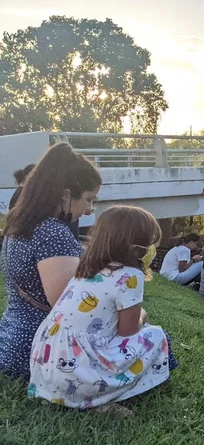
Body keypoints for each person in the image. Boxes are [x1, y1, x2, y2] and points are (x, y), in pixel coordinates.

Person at [28, 206, 178, 415]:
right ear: (137, 246)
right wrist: (143, 315)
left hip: (47, 367)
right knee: (155, 335)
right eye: (148, 243)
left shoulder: (86, 268)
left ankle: (60, 395)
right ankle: (96, 399)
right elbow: (128, 331)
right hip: (82, 372)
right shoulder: (130, 275)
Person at [0, 143, 101, 379]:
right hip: (43, 350)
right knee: (151, 340)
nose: (89, 209)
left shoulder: (21, 224)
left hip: (12, 341)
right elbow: (69, 308)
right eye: (88, 199)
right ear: (66, 194)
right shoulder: (52, 233)